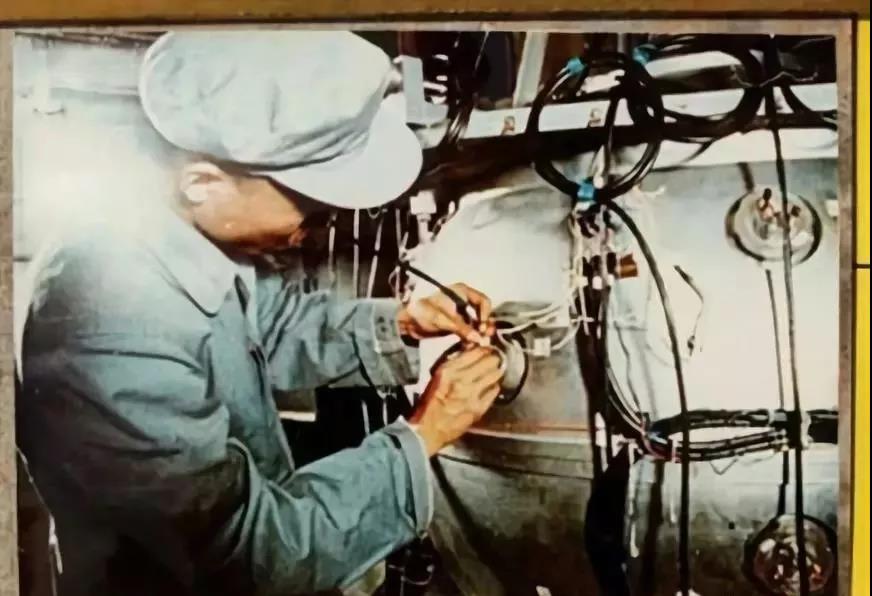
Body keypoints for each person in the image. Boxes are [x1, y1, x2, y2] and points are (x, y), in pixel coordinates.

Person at [15, 30, 505, 596]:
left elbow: (265, 328)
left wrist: (400, 323)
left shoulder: (176, 232)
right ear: (203, 184)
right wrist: (421, 437)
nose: (321, 225)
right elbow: (241, 558)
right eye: (313, 207)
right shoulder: (106, 316)